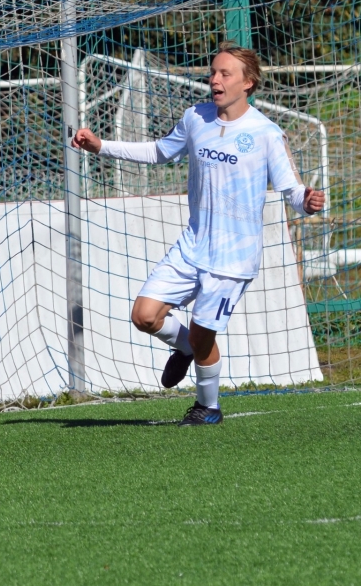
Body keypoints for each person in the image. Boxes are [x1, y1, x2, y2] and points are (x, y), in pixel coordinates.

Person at [71, 42, 326, 425]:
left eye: (225, 74)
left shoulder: (265, 133)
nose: (215, 80)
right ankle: (186, 348)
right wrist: (101, 146)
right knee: (144, 316)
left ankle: (208, 406)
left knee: (204, 335)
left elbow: (290, 189)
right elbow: (159, 151)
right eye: (213, 72)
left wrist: (305, 201)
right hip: (193, 246)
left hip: (233, 259)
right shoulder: (196, 118)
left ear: (249, 83)